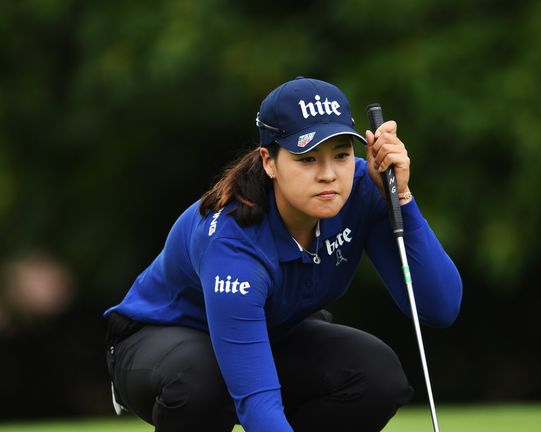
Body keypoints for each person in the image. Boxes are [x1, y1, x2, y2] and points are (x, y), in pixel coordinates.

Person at [103, 77, 462, 432]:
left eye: (340, 155)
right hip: (162, 339)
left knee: (376, 375)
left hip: (275, 330)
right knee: (202, 382)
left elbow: (438, 307)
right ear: (269, 161)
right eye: (307, 159)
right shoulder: (233, 238)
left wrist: (401, 198)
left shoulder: (366, 188)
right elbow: (258, 402)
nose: (329, 176)